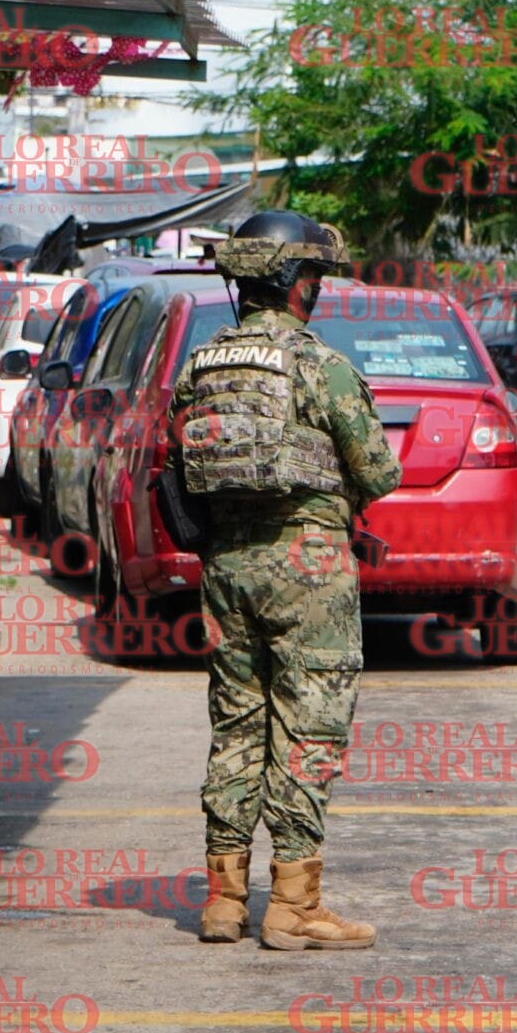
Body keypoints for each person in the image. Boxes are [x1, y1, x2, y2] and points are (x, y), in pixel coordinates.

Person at [171, 210, 402, 950]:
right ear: (294, 284)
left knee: (236, 724)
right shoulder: (319, 364)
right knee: (307, 731)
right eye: (314, 276)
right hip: (309, 569)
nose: (318, 289)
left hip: (224, 568)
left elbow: (176, 468)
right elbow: (379, 472)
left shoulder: (200, 365)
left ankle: (224, 900)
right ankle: (296, 905)